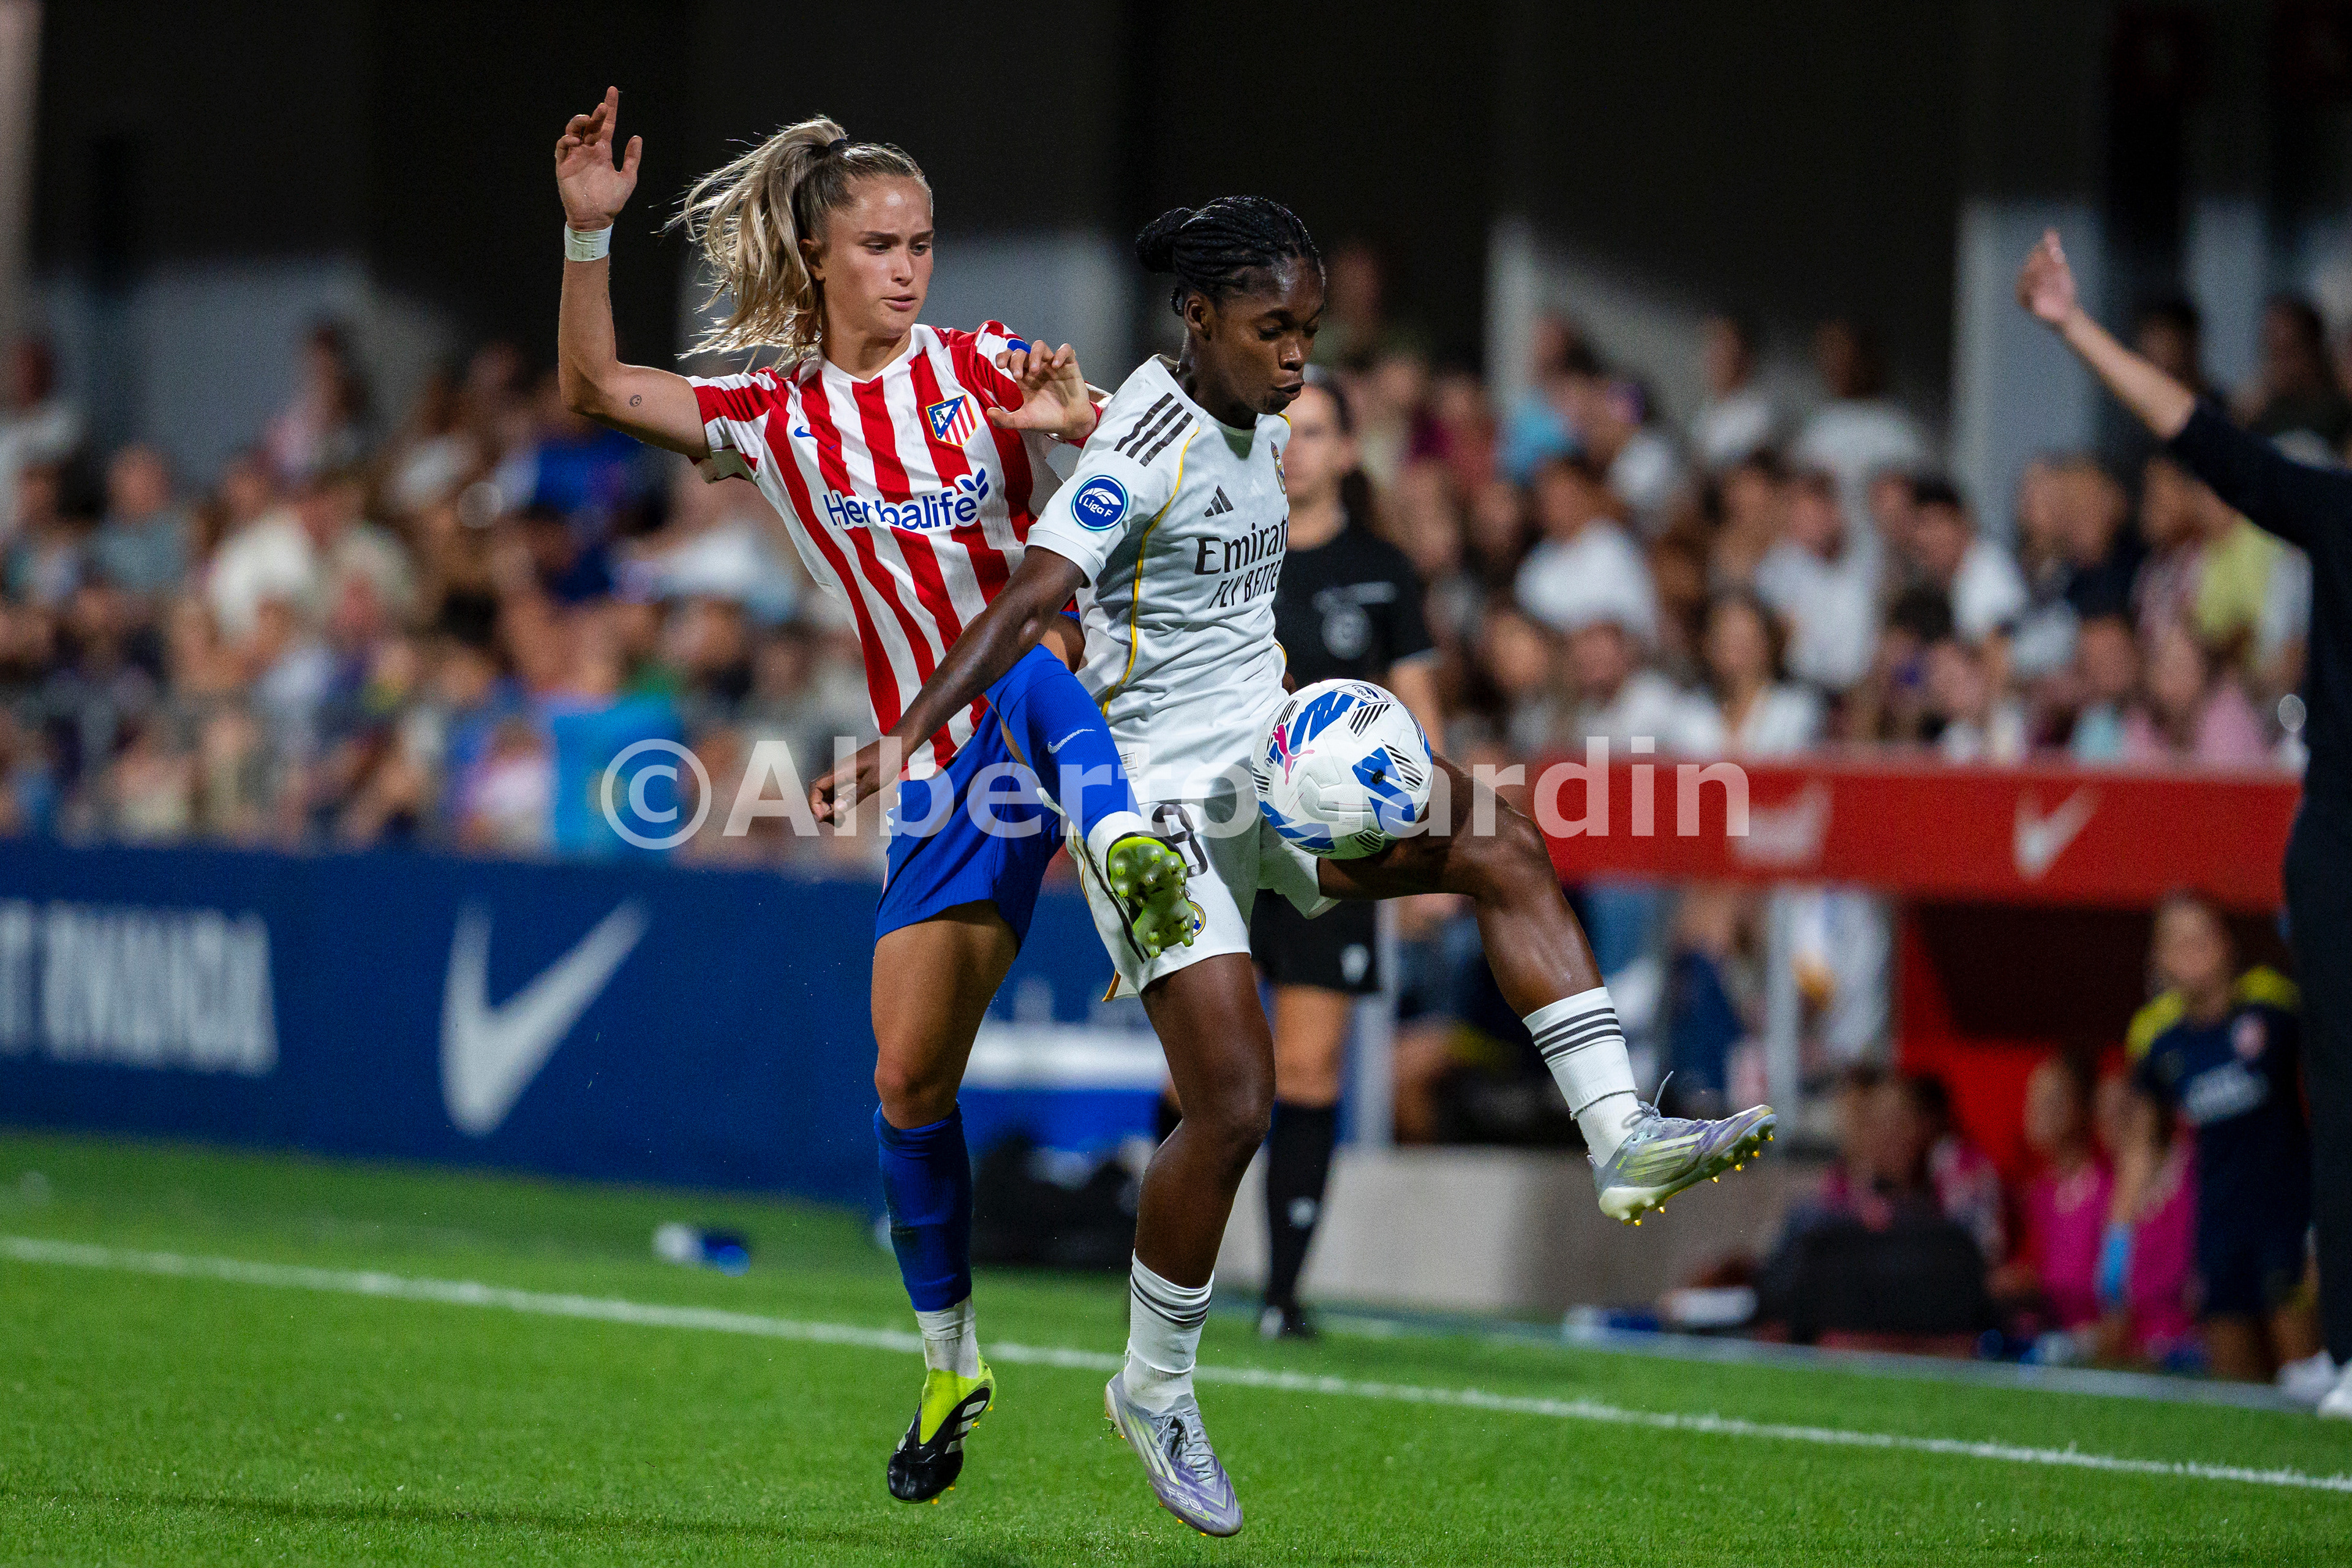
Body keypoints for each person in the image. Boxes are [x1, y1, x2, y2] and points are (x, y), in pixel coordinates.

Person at [817, 196, 1775, 1537]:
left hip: (1271, 760)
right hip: (1156, 809)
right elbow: (1032, 599)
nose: (1297, 355)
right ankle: (1154, 1388)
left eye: (1310, 329)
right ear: (1199, 315)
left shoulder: (1264, 419)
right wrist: (907, 732)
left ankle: (1620, 1136)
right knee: (1234, 1103)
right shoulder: (1139, 445)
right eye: (1274, 328)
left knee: (1504, 836)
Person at [548, 86, 1199, 1498]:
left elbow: (1145, 464)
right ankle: (949, 1359)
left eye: (922, 243)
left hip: (1073, 707)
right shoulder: (775, 414)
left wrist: (1081, 420)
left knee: (1028, 656)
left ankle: (1132, 859)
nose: (909, 269)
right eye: (882, 245)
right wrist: (588, 237)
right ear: (819, 255)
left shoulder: (982, 364)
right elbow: (595, 390)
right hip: (946, 769)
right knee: (907, 1079)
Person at [2022, 227, 2351, 1414]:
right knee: (2343, 1091)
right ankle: (2351, 1351)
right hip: (2341, 834)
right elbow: (2204, 437)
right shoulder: (2336, 507)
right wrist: (2075, 326)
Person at [1242, 371, 1441, 1340]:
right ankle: (1163, 1276)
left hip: (1335, 849)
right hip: (1225, 832)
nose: (1294, 448)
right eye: (1282, 429)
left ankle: (1283, 1296)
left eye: (1315, 431)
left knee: (1309, 1067)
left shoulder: (1383, 569)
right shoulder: (1230, 545)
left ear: (1350, 451)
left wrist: (1432, 846)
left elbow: (1419, 713)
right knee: (1196, 1069)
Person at [2126, 892, 2320, 1382]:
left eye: (2202, 935)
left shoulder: (2273, 1006)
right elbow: (2143, 1145)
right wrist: (2119, 1241)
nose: (2192, 950)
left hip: (2286, 1221)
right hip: (2217, 1230)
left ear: (2226, 942)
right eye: (2178, 941)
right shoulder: (2157, 1039)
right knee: (2234, 1389)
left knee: (2304, 1377)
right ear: (2159, 959)